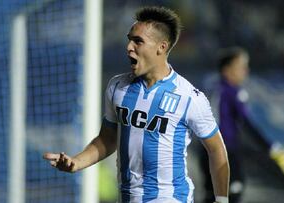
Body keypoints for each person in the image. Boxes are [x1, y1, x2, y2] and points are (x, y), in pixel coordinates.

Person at [43, 6, 229, 203]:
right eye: (129, 39)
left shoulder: (189, 97)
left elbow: (216, 148)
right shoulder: (118, 87)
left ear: (162, 47)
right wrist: (76, 162)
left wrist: (222, 200)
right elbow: (108, 138)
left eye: (138, 41)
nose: (129, 47)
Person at [199, 47, 284, 203]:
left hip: (206, 152)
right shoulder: (232, 92)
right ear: (227, 70)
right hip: (225, 153)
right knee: (231, 196)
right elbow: (246, 124)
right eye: (241, 67)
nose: (246, 71)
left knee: (212, 196)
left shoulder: (210, 88)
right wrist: (273, 149)